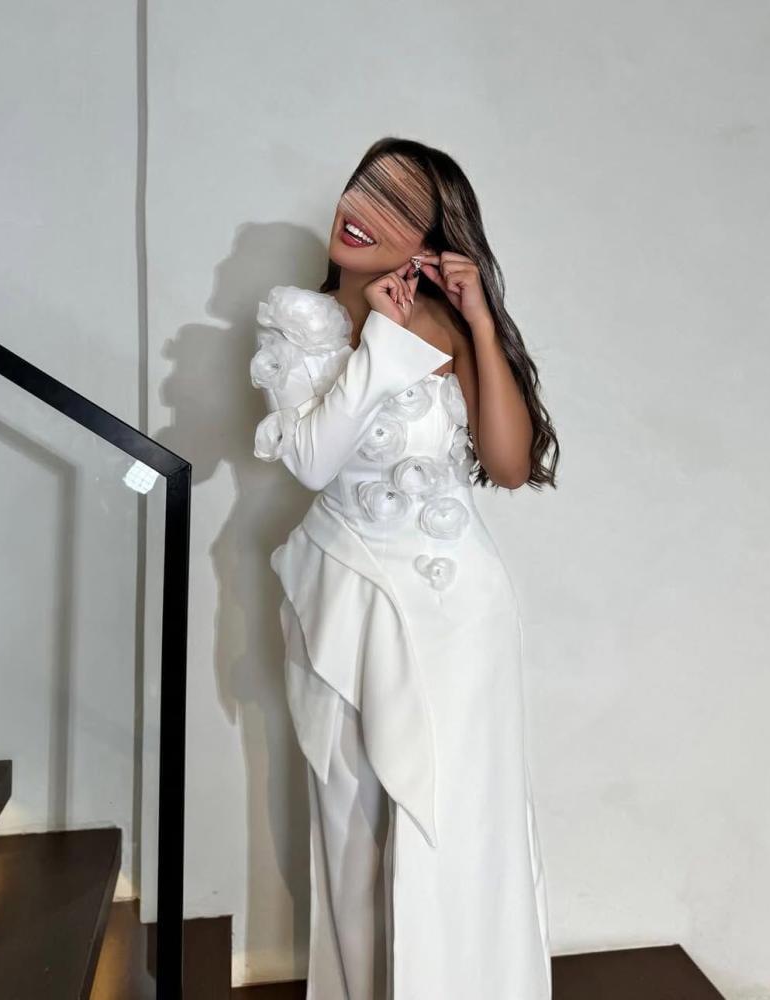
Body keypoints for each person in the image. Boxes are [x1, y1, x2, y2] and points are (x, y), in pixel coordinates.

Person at [250, 136, 560, 1000]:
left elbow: (507, 466)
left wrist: (482, 323)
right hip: (344, 597)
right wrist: (380, 341)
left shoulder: (454, 326)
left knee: (463, 827)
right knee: (352, 831)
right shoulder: (299, 324)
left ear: (430, 238)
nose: (360, 208)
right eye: (363, 186)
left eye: (394, 204)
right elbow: (311, 461)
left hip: (463, 617)